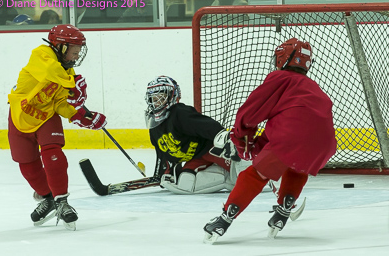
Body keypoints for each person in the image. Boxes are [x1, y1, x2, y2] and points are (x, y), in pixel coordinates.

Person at [203, 38, 337, 243]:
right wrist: (259, 144)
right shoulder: (312, 86)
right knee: (297, 167)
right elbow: (297, 125)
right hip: (324, 143)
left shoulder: (280, 78)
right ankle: (284, 209)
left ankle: (224, 219)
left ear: (283, 58)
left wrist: (241, 137)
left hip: (291, 138)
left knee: (256, 175)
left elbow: (251, 112)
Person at [7, 24, 107, 231]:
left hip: (46, 116)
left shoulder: (66, 71)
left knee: (52, 152)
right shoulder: (41, 55)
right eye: (75, 50)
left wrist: (80, 115)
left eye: (80, 51)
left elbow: (61, 103)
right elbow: (49, 72)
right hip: (20, 114)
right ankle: (48, 198)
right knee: (27, 164)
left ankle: (61, 201)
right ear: (60, 46)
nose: (77, 55)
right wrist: (72, 84)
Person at [144, 75, 246, 195]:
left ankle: (262, 169)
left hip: (213, 150)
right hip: (196, 157)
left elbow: (208, 126)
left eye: (161, 98)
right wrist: (164, 172)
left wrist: (227, 141)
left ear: (172, 96)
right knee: (186, 183)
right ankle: (225, 176)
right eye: (154, 99)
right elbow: (163, 153)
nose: (157, 103)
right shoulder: (154, 126)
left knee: (244, 175)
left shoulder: (180, 113)